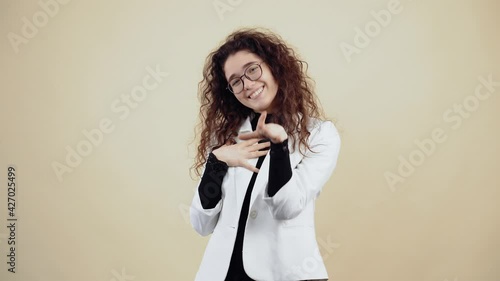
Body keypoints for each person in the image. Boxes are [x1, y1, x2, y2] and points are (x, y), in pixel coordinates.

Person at [190, 27, 341, 281]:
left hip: (286, 272)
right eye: (235, 81)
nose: (247, 84)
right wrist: (216, 164)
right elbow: (201, 223)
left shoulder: (319, 135)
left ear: (274, 67)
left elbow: (287, 207)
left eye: (252, 69)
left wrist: (280, 145)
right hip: (222, 273)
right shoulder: (224, 139)